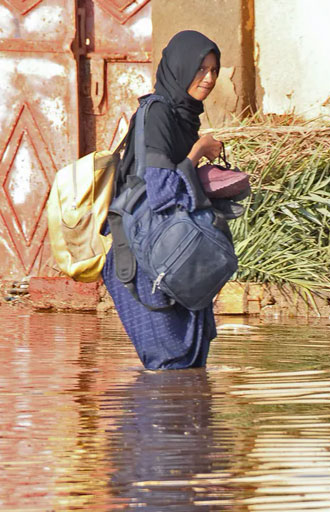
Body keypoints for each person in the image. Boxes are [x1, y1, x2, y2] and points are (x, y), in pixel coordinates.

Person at [101, 31, 226, 370]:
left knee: (190, 369)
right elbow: (162, 191)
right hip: (144, 262)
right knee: (169, 369)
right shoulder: (158, 114)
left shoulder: (184, 116)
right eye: (200, 69)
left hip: (176, 256)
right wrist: (198, 151)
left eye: (214, 70)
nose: (209, 78)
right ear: (180, 67)